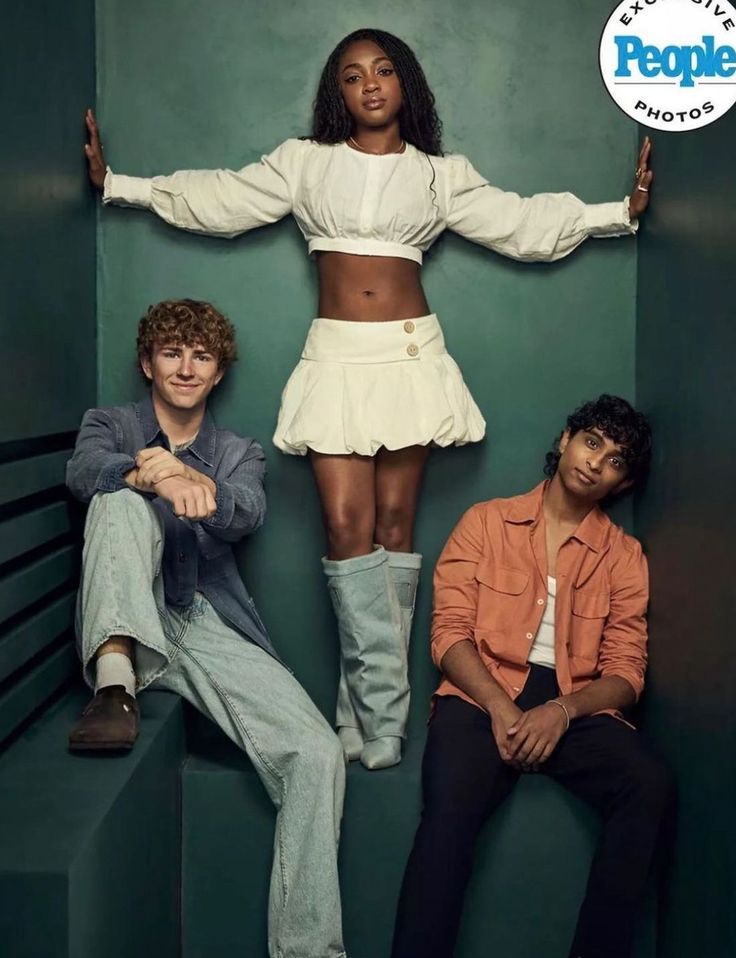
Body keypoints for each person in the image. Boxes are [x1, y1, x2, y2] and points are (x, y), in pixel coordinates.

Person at [83, 28, 654, 770]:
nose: (371, 86)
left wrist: (617, 211)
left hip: (411, 354)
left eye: (384, 71)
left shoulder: (439, 176)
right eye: (353, 77)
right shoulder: (306, 164)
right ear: (338, 93)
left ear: (405, 84)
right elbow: (221, 196)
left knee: (393, 527)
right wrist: (118, 184)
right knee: (347, 529)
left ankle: (368, 718)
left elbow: (520, 222)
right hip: (337, 356)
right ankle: (381, 706)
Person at [66, 299, 347, 958]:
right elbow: (83, 472)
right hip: (123, 610)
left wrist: (188, 477)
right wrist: (147, 475)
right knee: (117, 500)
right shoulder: (110, 422)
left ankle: (308, 952)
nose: (186, 367)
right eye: (171, 352)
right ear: (147, 362)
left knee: (318, 754)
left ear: (219, 371)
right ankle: (114, 683)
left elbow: (245, 512)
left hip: (199, 619)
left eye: (201, 355)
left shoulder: (236, 450)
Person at [390, 394, 676, 958]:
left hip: (575, 702)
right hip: (480, 694)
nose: (596, 461)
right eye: (592, 442)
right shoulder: (485, 523)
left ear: (620, 485)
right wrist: (501, 708)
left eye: (615, 460)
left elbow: (627, 671)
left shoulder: (623, 556)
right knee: (448, 813)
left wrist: (562, 711)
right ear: (565, 439)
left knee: (651, 786)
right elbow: (448, 635)